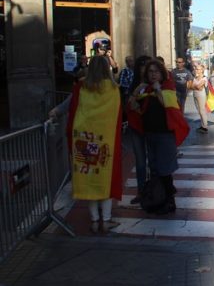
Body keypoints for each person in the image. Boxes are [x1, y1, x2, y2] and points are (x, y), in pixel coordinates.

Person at [50, 55, 123, 234]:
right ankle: (106, 220)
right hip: (105, 140)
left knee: (89, 176)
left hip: (84, 138)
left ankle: (94, 220)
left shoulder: (81, 87)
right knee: (105, 176)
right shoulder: (113, 88)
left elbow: (68, 105)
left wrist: (55, 112)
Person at [131, 59, 189, 214]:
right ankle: (159, 199)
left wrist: (157, 90)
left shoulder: (167, 88)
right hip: (150, 133)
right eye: (150, 72)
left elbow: (167, 105)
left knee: (165, 169)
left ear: (162, 73)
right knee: (155, 169)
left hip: (165, 134)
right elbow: (133, 106)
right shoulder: (145, 89)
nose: (153, 74)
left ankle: (170, 201)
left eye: (156, 71)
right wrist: (137, 91)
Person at [125, 55, 152, 204]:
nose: (145, 70)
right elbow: (129, 104)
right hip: (136, 126)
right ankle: (141, 192)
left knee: (153, 161)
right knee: (140, 161)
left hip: (152, 126)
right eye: (142, 66)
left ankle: (155, 192)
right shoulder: (135, 84)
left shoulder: (155, 83)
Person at [190, 62, 209, 133]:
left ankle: (205, 127)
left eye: (198, 69)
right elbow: (190, 86)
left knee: (202, 110)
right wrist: (195, 87)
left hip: (201, 95)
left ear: (202, 70)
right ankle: (202, 125)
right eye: (196, 69)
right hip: (195, 94)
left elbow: (198, 87)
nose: (196, 70)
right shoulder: (195, 77)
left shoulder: (204, 78)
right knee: (199, 111)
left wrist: (194, 86)